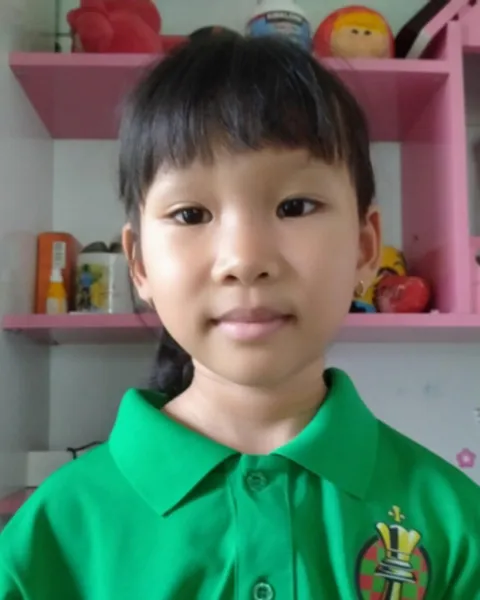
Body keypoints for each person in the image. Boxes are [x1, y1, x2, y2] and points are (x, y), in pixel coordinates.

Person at [0, 35, 479, 599]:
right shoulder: (54, 532)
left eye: (295, 206)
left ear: (364, 247)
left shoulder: (453, 522)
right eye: (190, 213)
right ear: (139, 264)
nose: (245, 259)